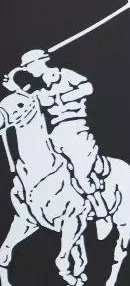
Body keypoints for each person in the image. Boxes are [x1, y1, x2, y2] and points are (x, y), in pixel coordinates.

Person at [17, 50, 111, 228]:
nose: (28, 71)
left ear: (40, 62)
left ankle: (102, 212)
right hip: (54, 133)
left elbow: (87, 87)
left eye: (29, 66)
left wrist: (59, 98)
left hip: (75, 128)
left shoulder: (63, 75)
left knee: (81, 174)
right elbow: (26, 102)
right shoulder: (39, 88)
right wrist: (13, 88)